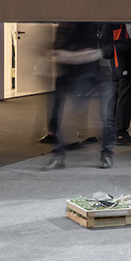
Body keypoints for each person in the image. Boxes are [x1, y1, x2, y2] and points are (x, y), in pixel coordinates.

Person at [44, 22, 107, 170]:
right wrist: (57, 54)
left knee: (94, 116)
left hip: (86, 73)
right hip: (66, 73)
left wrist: (69, 56)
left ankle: (106, 153)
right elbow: (58, 47)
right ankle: (59, 154)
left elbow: (91, 51)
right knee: (58, 114)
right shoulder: (64, 26)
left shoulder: (88, 24)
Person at [103, 23, 131, 150]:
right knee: (125, 94)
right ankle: (121, 132)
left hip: (114, 56)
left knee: (114, 94)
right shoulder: (126, 13)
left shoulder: (109, 15)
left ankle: (110, 130)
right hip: (125, 56)